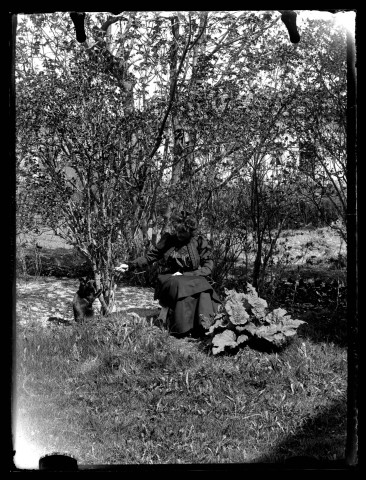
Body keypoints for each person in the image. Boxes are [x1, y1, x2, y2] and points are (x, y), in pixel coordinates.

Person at [115, 211, 221, 338]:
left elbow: (208, 266)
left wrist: (188, 274)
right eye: (177, 231)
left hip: (191, 276)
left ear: (191, 231)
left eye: (183, 232)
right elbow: (151, 256)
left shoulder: (198, 241)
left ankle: (205, 327)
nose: (179, 234)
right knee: (178, 283)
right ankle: (181, 329)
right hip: (170, 277)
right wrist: (130, 265)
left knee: (203, 286)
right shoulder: (169, 240)